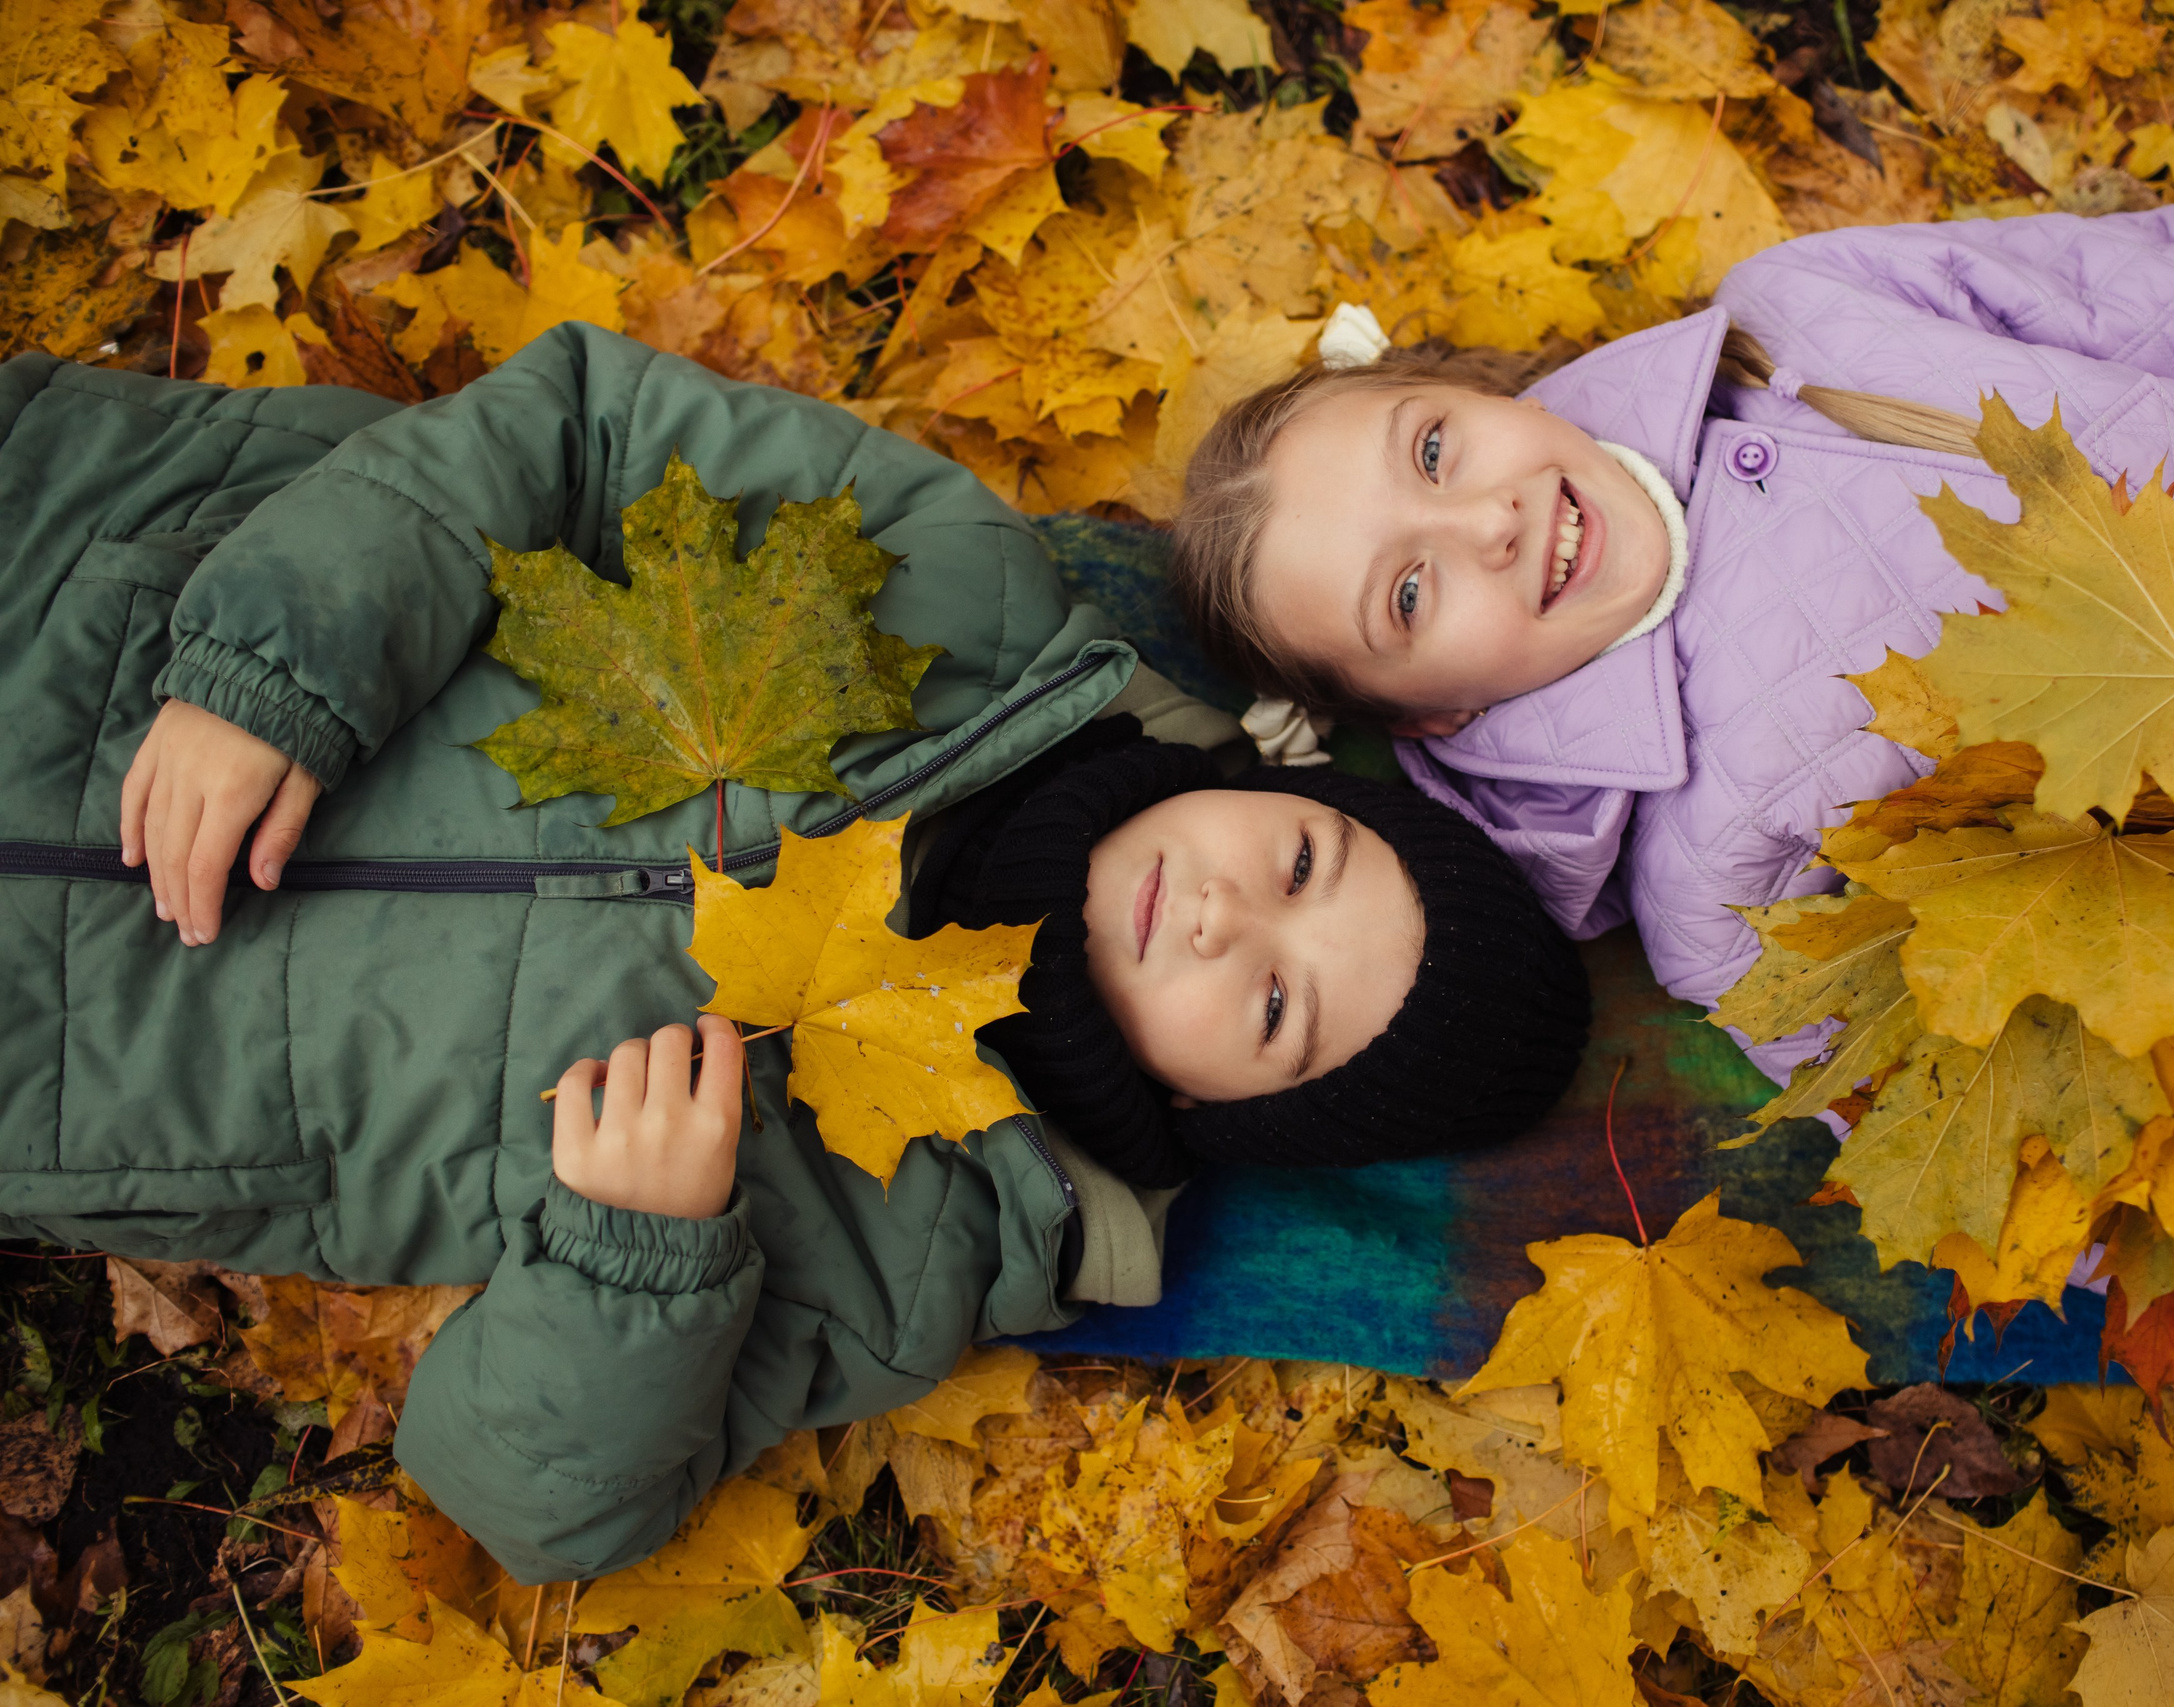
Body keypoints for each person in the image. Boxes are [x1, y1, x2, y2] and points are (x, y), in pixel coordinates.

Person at [0, 323, 1590, 1582]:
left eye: (1269, 1005)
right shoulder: (957, 599)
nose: (1235, 914)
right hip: (76, 585)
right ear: (1278, 786)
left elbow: (527, 1502)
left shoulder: (911, 1240)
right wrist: (281, 662)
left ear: (1223, 1111)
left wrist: (638, 1265)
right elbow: (575, 417)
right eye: (1305, 863)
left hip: (69, 1042)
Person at [1168, 196, 2174, 1236]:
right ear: (1432, 717)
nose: (1488, 519)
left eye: (1432, 448)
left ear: (1463, 391)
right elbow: (2076, 1175)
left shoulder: (1803, 320)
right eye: (1406, 595)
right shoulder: (1726, 894)